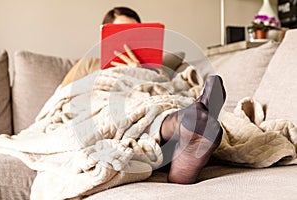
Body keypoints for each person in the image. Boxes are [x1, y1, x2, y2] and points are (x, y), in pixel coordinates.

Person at [63, 6, 227, 184]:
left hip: (144, 96)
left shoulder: (152, 68)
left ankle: (191, 122)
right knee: (128, 115)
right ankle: (189, 127)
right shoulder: (88, 64)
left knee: (157, 106)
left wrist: (141, 73)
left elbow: (169, 91)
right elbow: (62, 96)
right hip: (106, 99)